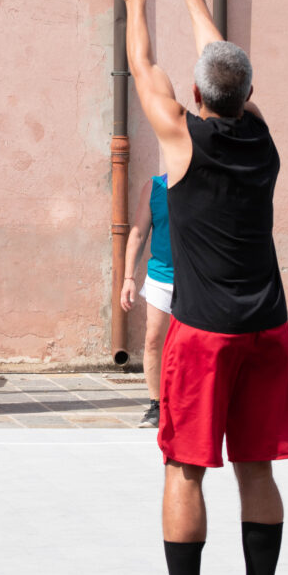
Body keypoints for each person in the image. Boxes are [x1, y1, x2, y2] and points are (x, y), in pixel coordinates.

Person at [94, 0, 288, 575]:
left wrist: (139, 1)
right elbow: (224, 67)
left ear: (197, 97)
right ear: (245, 94)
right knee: (255, 471)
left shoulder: (183, 140)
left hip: (204, 336)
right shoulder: (261, 139)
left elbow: (147, 71)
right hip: (268, 333)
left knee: (184, 470)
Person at [121, 175, 174, 428]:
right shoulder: (154, 187)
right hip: (161, 277)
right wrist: (129, 277)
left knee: (201, 344)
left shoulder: (208, 181)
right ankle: (157, 405)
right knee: (154, 340)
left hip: (200, 279)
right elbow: (139, 233)